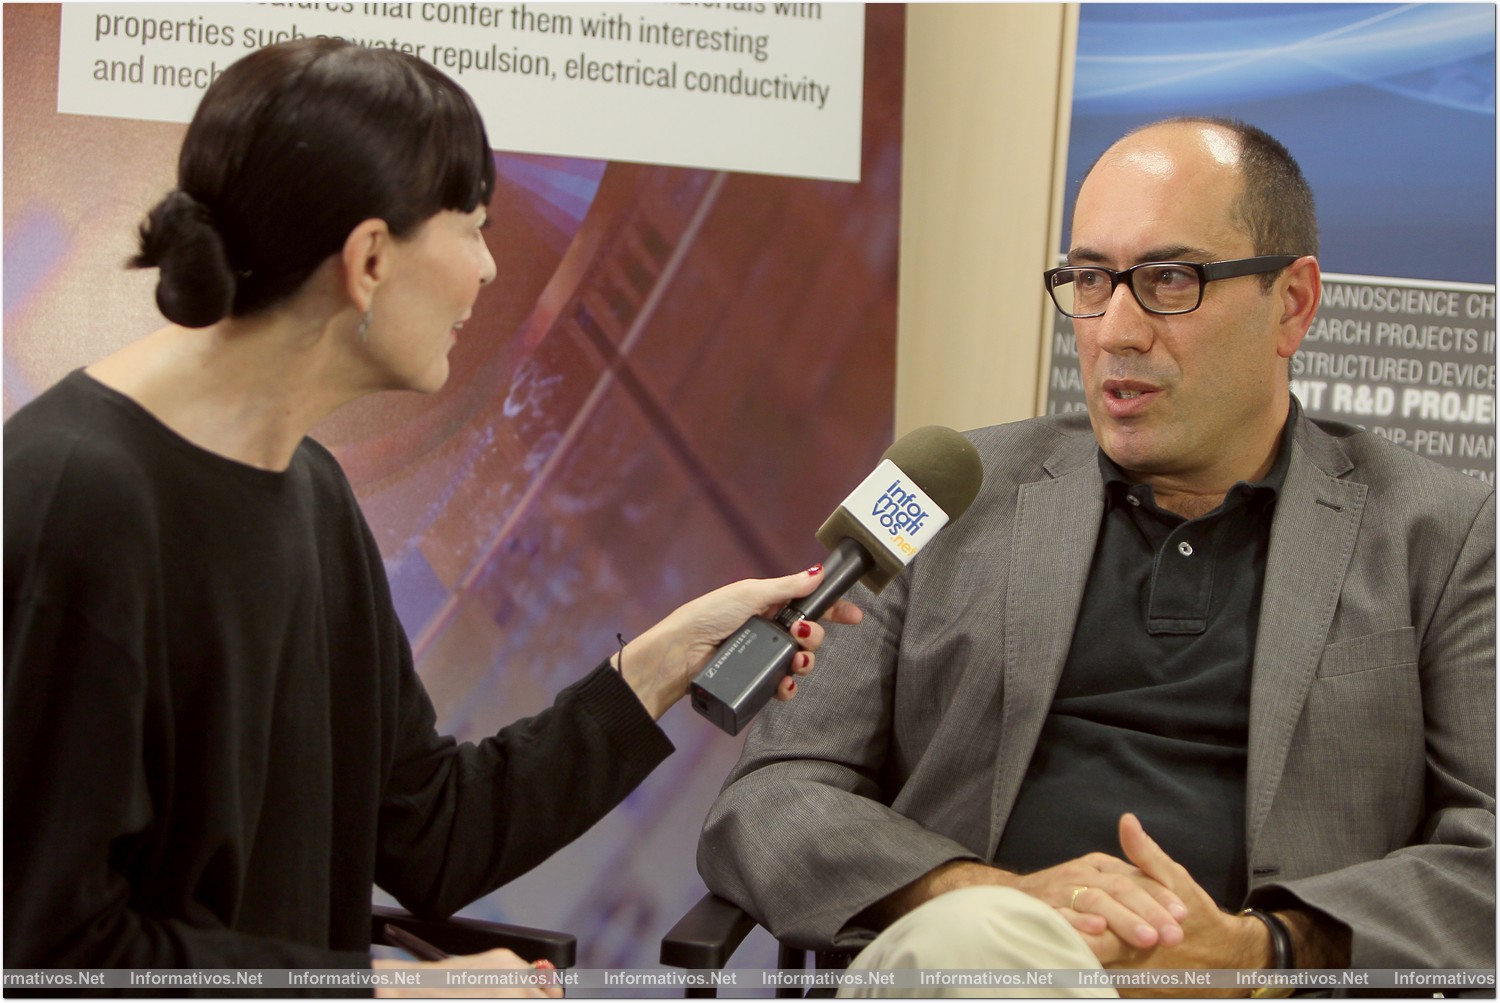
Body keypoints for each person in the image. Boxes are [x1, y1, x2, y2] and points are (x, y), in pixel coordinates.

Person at [2, 38, 860, 984]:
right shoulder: (70, 504)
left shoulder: (311, 492)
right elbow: (52, 956)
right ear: (370, 258)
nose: (491, 269)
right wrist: (396, 983)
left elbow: (431, 831)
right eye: (474, 226)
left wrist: (665, 659)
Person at [698, 117, 1494, 993]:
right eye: (1089, 279)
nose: (1114, 329)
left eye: (1167, 280)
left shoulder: (1441, 534)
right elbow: (768, 796)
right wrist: (992, 904)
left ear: (1292, 304)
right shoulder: (942, 492)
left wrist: (1259, 949)